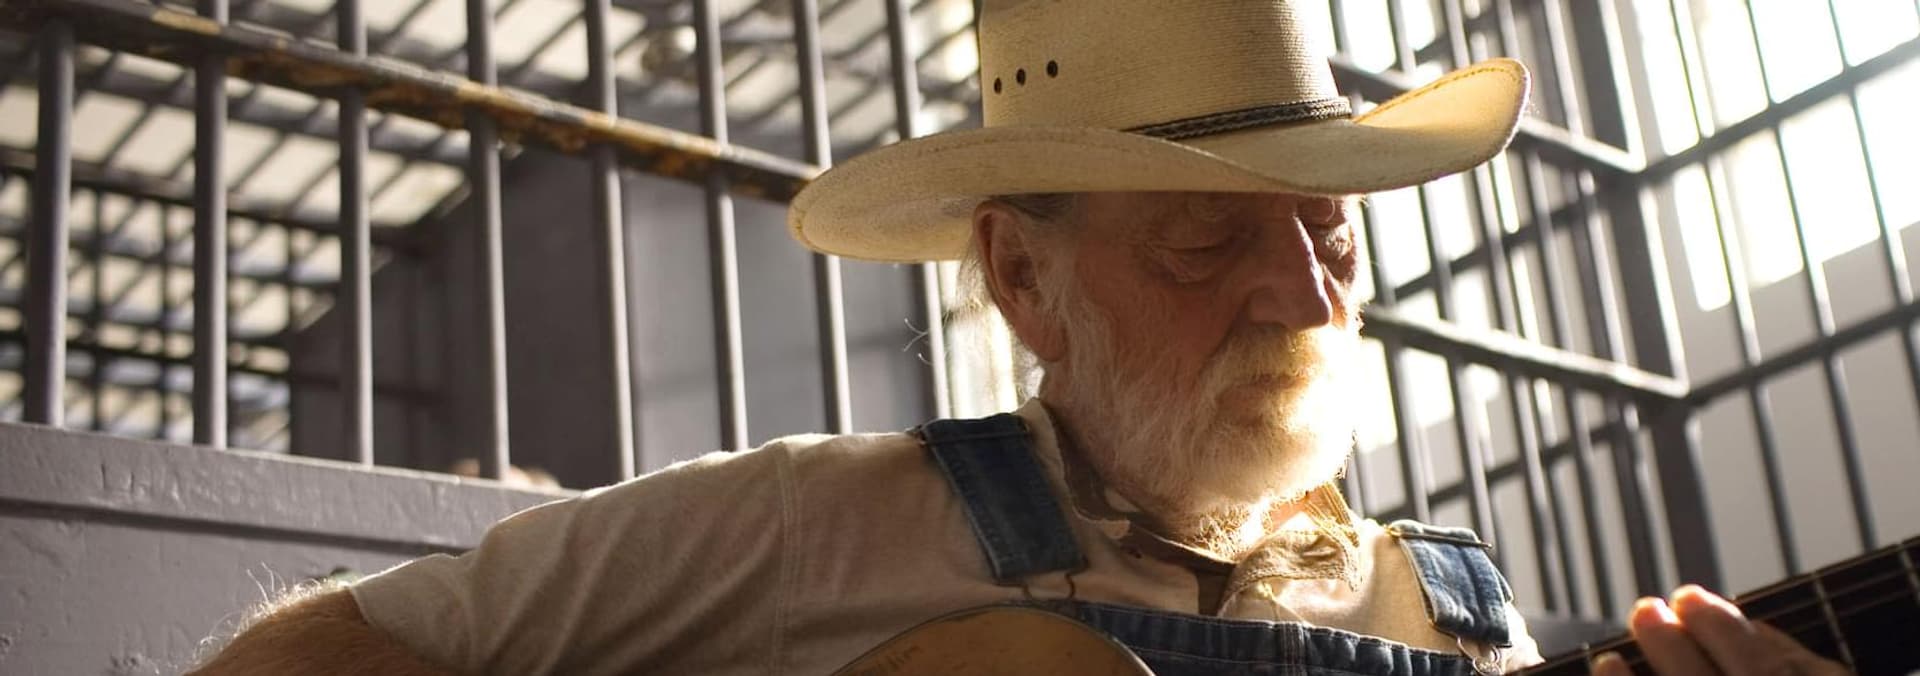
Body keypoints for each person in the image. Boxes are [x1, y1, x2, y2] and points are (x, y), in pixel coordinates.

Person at [190, 1, 1849, 674]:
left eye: (1329, 228)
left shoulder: (1458, 621)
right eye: (1208, 233)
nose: (1305, 293)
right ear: (1024, 278)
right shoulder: (814, 527)